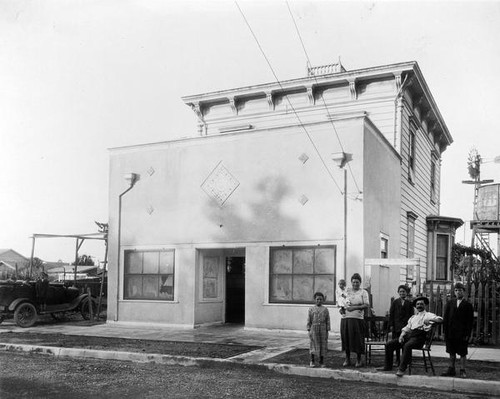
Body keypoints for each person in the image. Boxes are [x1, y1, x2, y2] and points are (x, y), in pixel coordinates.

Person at [380, 296, 442, 376]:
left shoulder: (428, 315)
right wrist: (401, 336)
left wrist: (431, 320)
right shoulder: (413, 317)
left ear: (425, 305)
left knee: (407, 345)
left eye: (421, 304)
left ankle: (402, 369)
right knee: (389, 344)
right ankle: (388, 366)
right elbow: (407, 328)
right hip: (410, 336)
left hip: (419, 338)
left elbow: (440, 320)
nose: (419, 305)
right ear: (415, 306)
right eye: (418, 304)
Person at [441, 282, 474, 378]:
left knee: (462, 352)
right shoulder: (450, 303)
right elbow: (446, 318)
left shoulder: (468, 305)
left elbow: (470, 321)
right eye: (456, 290)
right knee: (451, 351)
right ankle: (451, 369)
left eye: (460, 290)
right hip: (450, 333)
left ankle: (462, 370)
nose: (458, 292)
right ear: (454, 292)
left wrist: (467, 334)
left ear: (463, 292)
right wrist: (445, 332)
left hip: (462, 333)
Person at [341, 273, 370, 367]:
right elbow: (341, 301)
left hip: (358, 319)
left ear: (360, 282)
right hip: (346, 318)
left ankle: (358, 359)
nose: (355, 284)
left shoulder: (363, 292)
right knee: (346, 338)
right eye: (353, 282)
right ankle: (347, 359)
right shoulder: (347, 291)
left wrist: (354, 308)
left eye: (357, 282)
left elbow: (366, 305)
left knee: (358, 339)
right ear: (351, 282)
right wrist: (341, 309)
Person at [388, 285, 414, 367]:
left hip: (405, 327)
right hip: (396, 327)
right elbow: (391, 314)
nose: (402, 293)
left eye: (404, 291)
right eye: (400, 291)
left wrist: (410, 326)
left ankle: (405, 360)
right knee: (396, 344)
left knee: (405, 344)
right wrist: (391, 325)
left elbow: (411, 316)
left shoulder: (409, 303)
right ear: (398, 292)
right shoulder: (395, 302)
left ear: (407, 293)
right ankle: (397, 360)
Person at [307, 292, 330, 368]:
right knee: (313, 344)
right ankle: (312, 361)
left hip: (323, 329)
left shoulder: (325, 309)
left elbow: (328, 320)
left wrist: (327, 329)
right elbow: (309, 320)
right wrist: (309, 329)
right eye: (317, 299)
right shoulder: (311, 309)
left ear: (323, 300)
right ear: (314, 300)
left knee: (322, 345)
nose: (319, 301)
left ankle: (321, 361)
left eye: (320, 299)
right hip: (314, 328)